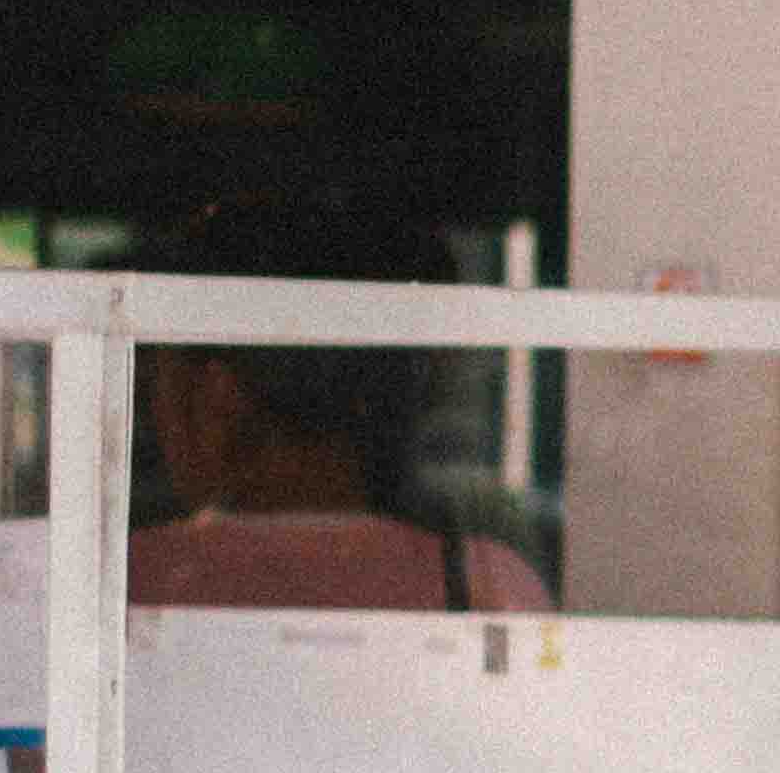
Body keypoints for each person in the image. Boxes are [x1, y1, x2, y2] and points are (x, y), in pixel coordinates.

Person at [127, 196, 548, 614]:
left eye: (153, 388)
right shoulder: (487, 585)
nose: (154, 419)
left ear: (217, 397)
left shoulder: (133, 580)